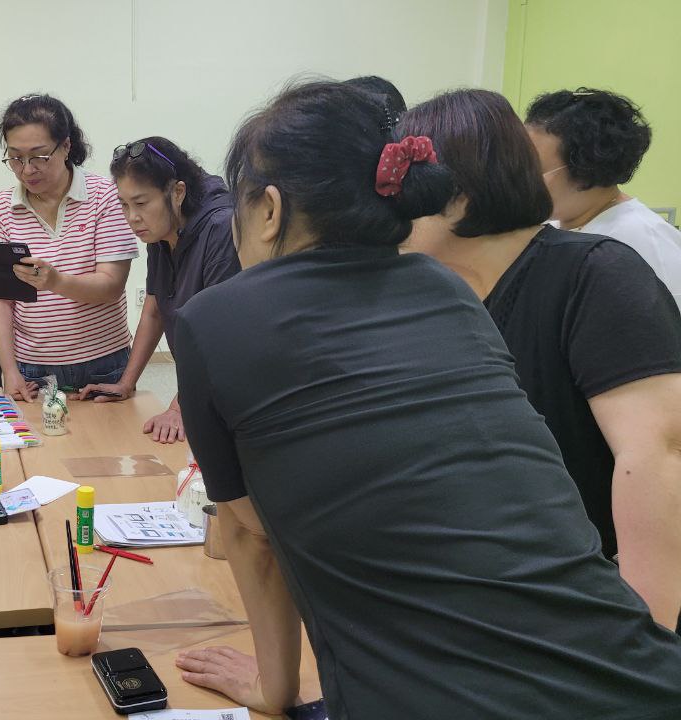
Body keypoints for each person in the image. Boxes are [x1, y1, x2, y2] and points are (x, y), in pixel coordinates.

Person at [171, 80, 681, 719]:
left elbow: (252, 539)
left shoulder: (213, 318)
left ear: (269, 209)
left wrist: (272, 692)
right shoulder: (450, 293)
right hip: (635, 675)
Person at [399, 89, 681, 627]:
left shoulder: (597, 274)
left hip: (599, 604)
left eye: (402, 197)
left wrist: (644, 643)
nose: (390, 220)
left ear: (458, 198)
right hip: (517, 593)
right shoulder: (450, 293)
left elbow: (659, 454)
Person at [0, 94, 138, 401]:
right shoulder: (0, 208)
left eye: (39, 156)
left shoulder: (105, 196)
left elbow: (111, 285)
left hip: (103, 361)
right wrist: (9, 370)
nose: (27, 170)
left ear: (66, 146)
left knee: (110, 445)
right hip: (33, 368)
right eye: (15, 157)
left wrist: (55, 282)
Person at [78, 137, 239, 444]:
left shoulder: (221, 229)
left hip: (230, 389)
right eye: (124, 205)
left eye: (140, 203)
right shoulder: (161, 231)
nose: (131, 217)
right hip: (201, 387)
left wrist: (180, 407)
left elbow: (221, 337)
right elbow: (153, 309)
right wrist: (126, 382)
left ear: (177, 192)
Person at [525, 87, 681, 304]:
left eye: (534, 168)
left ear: (585, 169)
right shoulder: (552, 224)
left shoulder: (644, 240)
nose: (521, 178)